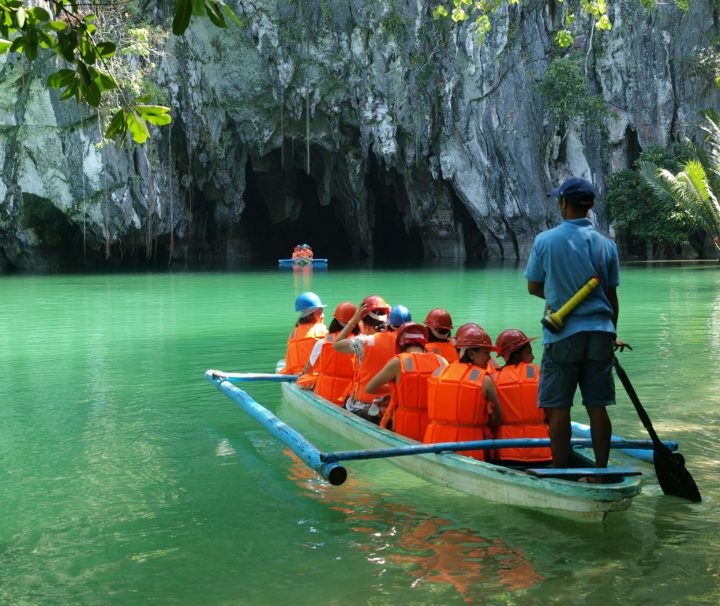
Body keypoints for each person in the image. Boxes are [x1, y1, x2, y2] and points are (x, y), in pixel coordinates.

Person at [525, 176, 630, 470]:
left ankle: (560, 470)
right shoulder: (606, 246)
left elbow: (533, 287)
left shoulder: (545, 241)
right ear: (591, 206)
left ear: (563, 203)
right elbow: (612, 298)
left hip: (562, 334)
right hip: (600, 334)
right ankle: (600, 471)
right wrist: (612, 334)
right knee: (597, 407)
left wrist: (560, 295)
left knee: (558, 408)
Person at [423, 323, 501, 461]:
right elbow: (497, 420)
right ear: (471, 353)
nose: (489, 358)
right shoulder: (484, 380)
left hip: (435, 447)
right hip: (471, 450)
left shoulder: (438, 372)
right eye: (486, 353)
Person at [366, 322, 447, 440]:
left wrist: (394, 389)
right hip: (432, 427)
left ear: (401, 343)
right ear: (423, 342)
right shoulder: (441, 361)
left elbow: (370, 388)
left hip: (404, 428)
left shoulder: (398, 362)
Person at [333, 295, 397, 423]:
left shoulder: (363, 342)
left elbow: (336, 345)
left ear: (365, 324)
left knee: (347, 400)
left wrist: (354, 319)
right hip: (393, 406)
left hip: (364, 407)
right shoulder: (401, 340)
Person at [491, 329, 552, 465]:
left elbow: (492, 419)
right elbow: (551, 413)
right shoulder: (539, 373)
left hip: (506, 452)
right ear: (517, 353)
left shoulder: (493, 378)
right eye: (529, 352)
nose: (533, 357)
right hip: (541, 451)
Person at [298, 301, 359, 405]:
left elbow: (308, 368)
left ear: (335, 320)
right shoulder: (361, 343)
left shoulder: (323, 342)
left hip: (323, 396)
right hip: (348, 400)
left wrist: (302, 375)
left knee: (305, 379)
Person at [279, 291, 328, 375]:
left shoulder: (293, 333)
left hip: (294, 376)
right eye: (320, 312)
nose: (323, 315)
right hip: (314, 377)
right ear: (309, 315)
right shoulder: (323, 331)